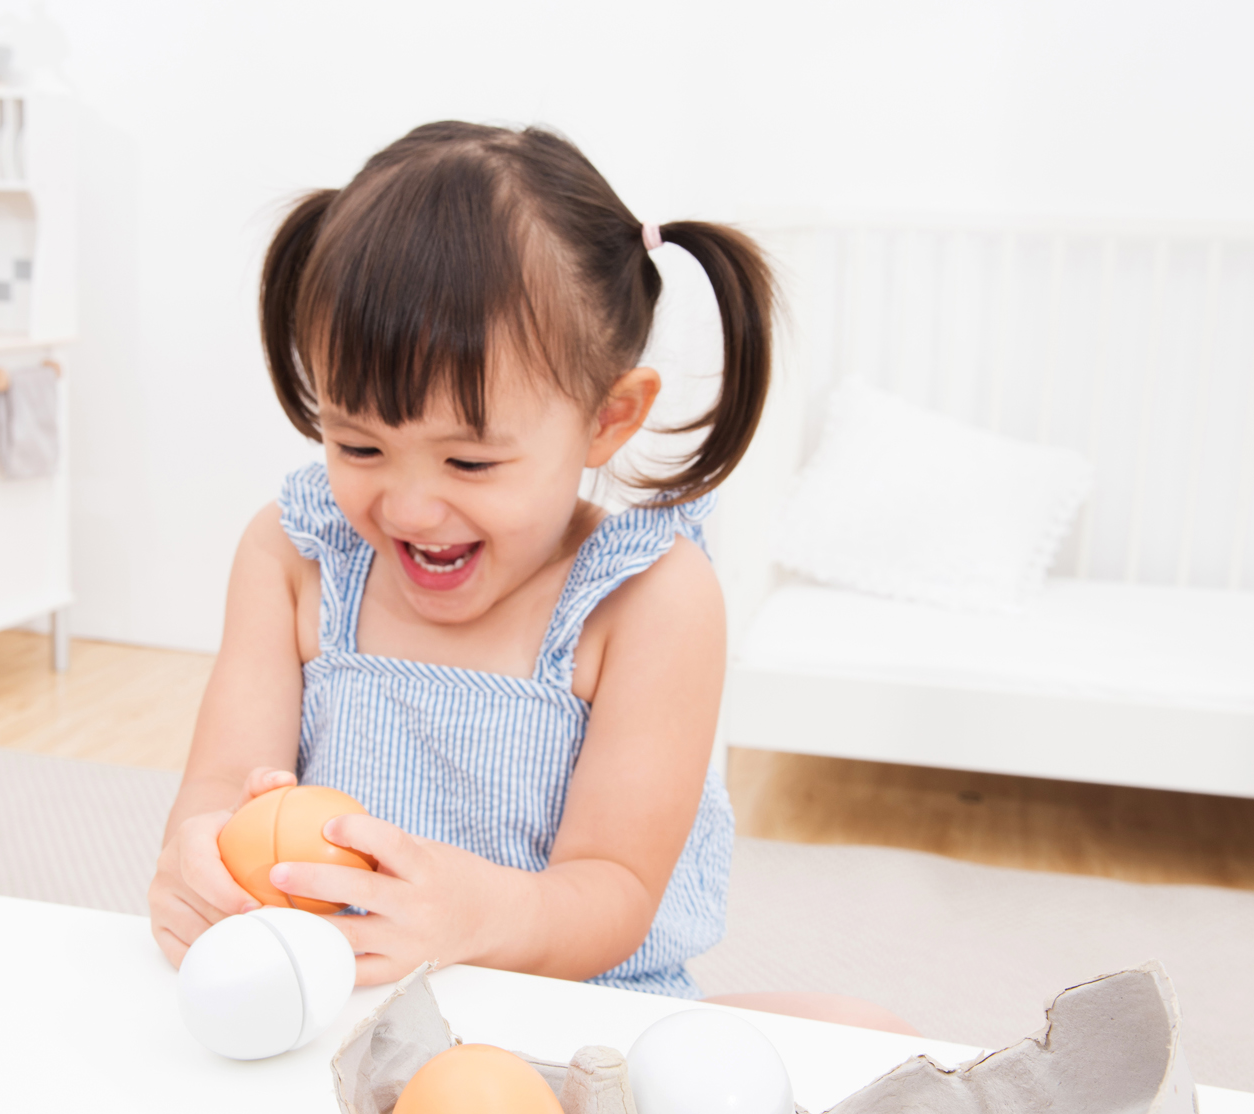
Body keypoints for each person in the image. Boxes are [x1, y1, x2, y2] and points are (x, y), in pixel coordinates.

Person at [149, 120, 914, 1033]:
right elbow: (220, 790)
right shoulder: (293, 556)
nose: (409, 508)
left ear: (607, 419)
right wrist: (196, 862)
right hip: (325, 1003)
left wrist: (470, 919)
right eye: (358, 445)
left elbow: (613, 891)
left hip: (570, 1017)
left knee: (868, 1035)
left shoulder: (648, 602)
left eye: (469, 463)